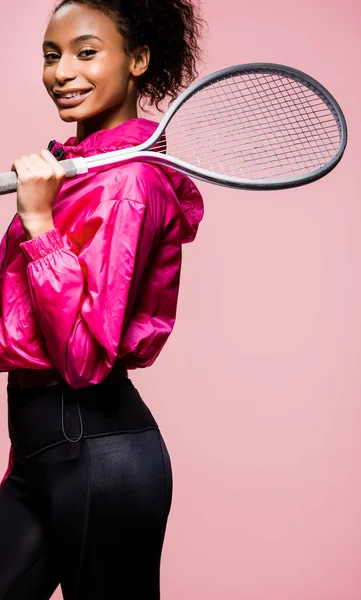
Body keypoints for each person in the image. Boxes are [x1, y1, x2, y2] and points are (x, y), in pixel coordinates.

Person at [0, 0, 204, 598]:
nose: (62, 72)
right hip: (46, 446)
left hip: (98, 450)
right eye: (51, 55)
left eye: (86, 52)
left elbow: (85, 359)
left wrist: (38, 225)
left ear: (138, 59)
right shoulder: (73, 170)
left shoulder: (131, 183)